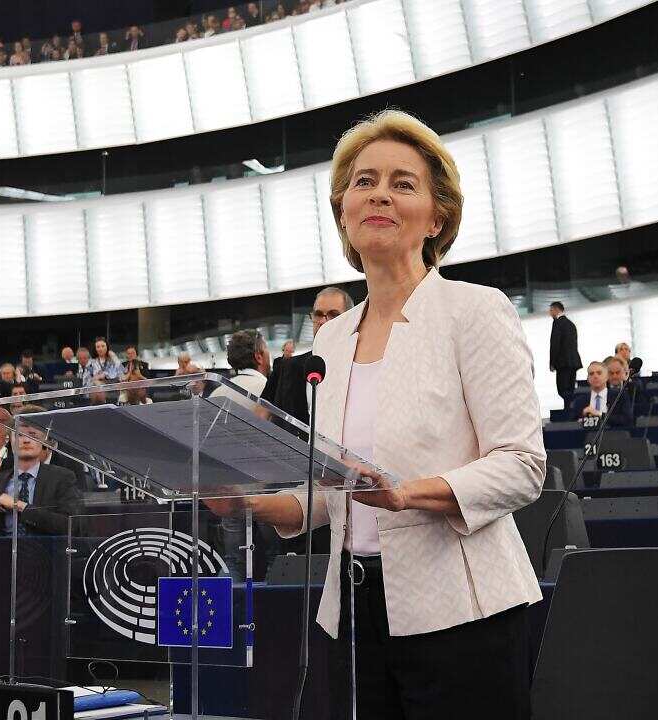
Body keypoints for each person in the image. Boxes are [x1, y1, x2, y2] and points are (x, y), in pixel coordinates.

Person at [206, 110, 544, 718]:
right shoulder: (332, 339)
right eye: (364, 182)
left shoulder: (475, 310)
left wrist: (405, 493)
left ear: (437, 217)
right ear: (344, 212)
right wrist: (247, 502)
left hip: (464, 613)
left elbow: (522, 466)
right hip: (355, 610)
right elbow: (329, 493)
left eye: (403, 183)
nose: (379, 194)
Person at [208, 330, 271, 582]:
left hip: (230, 491)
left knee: (234, 562)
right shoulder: (269, 388)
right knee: (276, 560)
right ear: (259, 356)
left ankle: (229, 607)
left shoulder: (217, 394)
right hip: (270, 491)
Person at [0, 406, 83, 536]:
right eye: (19, 435)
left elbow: (71, 526)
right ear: (10, 440)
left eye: (32, 435)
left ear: (44, 441)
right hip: (4, 548)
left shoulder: (63, 479)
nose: (26, 440)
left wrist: (21, 506)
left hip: (47, 548)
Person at [262, 286, 355, 428]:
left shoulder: (359, 365)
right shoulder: (290, 367)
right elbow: (279, 424)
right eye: (318, 314)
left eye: (333, 315)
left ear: (350, 319)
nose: (323, 321)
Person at [571, 361, 633, 426]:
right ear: (588, 379)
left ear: (607, 377)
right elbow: (571, 424)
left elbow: (627, 420)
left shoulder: (619, 396)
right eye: (591, 374)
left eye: (599, 373)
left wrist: (600, 414)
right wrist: (582, 417)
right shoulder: (580, 401)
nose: (595, 376)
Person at [548, 301, 583, 409]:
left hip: (562, 363)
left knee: (562, 389)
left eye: (551, 310)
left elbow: (555, 344)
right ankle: (570, 409)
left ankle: (568, 411)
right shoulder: (571, 324)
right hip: (573, 362)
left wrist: (552, 363)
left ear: (556, 309)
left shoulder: (557, 323)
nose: (549, 313)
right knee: (570, 389)